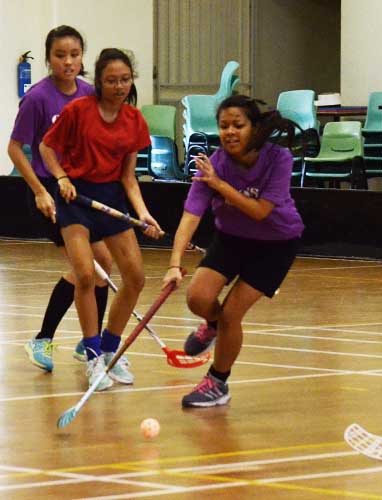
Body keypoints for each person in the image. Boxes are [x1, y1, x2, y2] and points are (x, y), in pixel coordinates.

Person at [162, 95, 304, 408]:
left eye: (238, 125)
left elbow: (261, 211)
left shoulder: (278, 159)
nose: (229, 132)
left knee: (231, 315)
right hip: (231, 239)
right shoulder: (214, 165)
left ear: (254, 128)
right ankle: (212, 324)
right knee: (197, 298)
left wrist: (221, 185)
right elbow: (191, 215)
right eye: (223, 126)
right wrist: (174, 264)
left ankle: (217, 382)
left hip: (275, 244)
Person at [39, 48, 162, 391]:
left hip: (110, 199)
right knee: (86, 275)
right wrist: (61, 178)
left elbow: (128, 177)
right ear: (99, 81)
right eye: (111, 80)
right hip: (76, 198)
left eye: (125, 79)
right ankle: (92, 356)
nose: (119, 86)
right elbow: (47, 148)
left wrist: (143, 213)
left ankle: (110, 349)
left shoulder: (134, 120)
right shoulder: (79, 110)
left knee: (136, 278)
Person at [7, 25, 113, 372]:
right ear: (49, 57)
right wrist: (39, 190)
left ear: (83, 56)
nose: (68, 62)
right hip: (49, 191)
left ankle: (88, 342)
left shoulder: (89, 94)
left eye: (74, 55)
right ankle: (44, 338)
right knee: (88, 268)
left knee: (101, 267)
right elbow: (14, 149)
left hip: (82, 191)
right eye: (60, 55)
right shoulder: (38, 98)